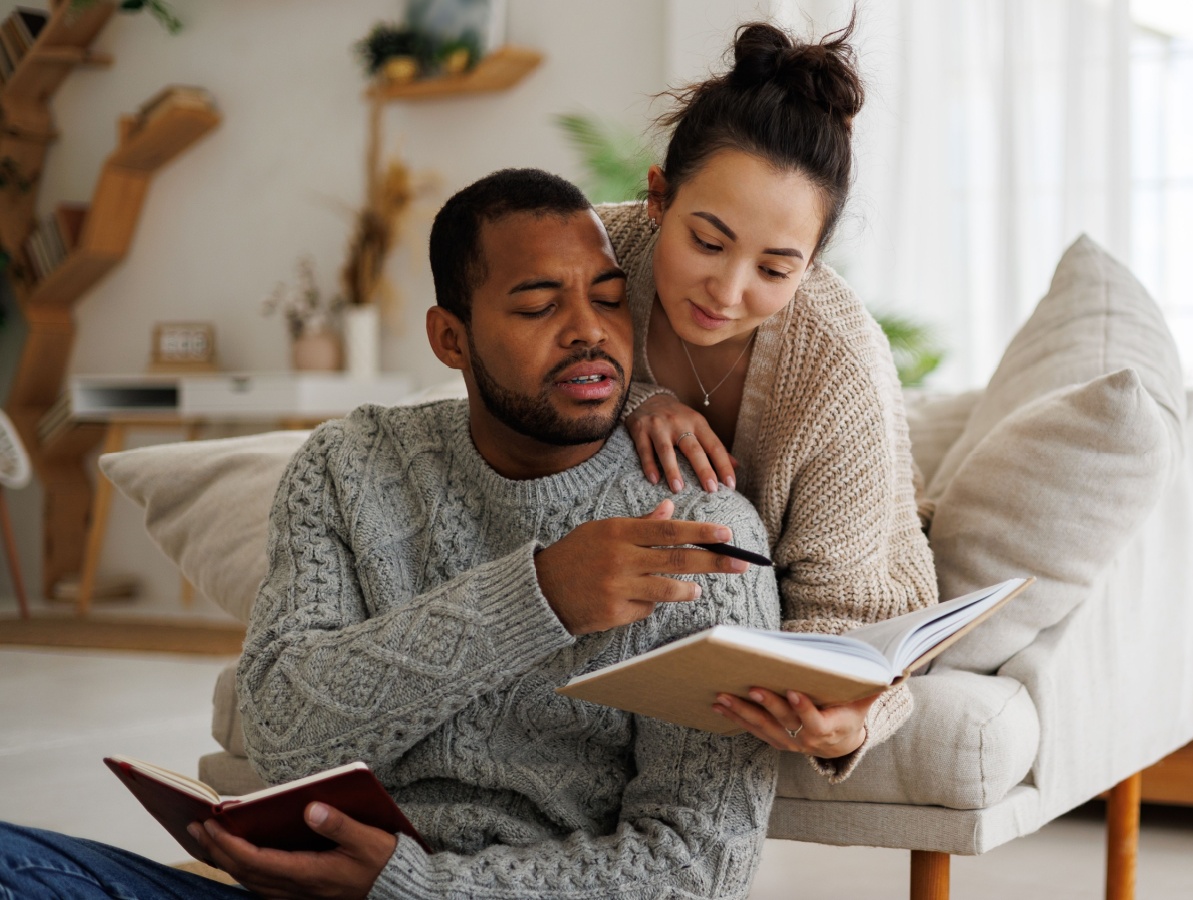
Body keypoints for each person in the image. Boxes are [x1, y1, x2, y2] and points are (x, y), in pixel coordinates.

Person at [0, 168, 780, 900]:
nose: (588, 332)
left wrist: (413, 889)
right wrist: (538, 595)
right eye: (539, 306)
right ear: (451, 339)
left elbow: (698, 863)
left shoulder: (702, 532)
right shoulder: (348, 466)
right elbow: (279, 731)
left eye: (609, 299)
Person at [600, 18, 939, 781]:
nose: (726, 291)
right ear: (658, 196)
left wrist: (845, 721)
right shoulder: (595, 255)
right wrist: (633, 400)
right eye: (708, 241)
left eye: (776, 268)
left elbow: (852, 613)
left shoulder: (837, 358)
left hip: (839, 549)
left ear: (813, 264)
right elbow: (506, 372)